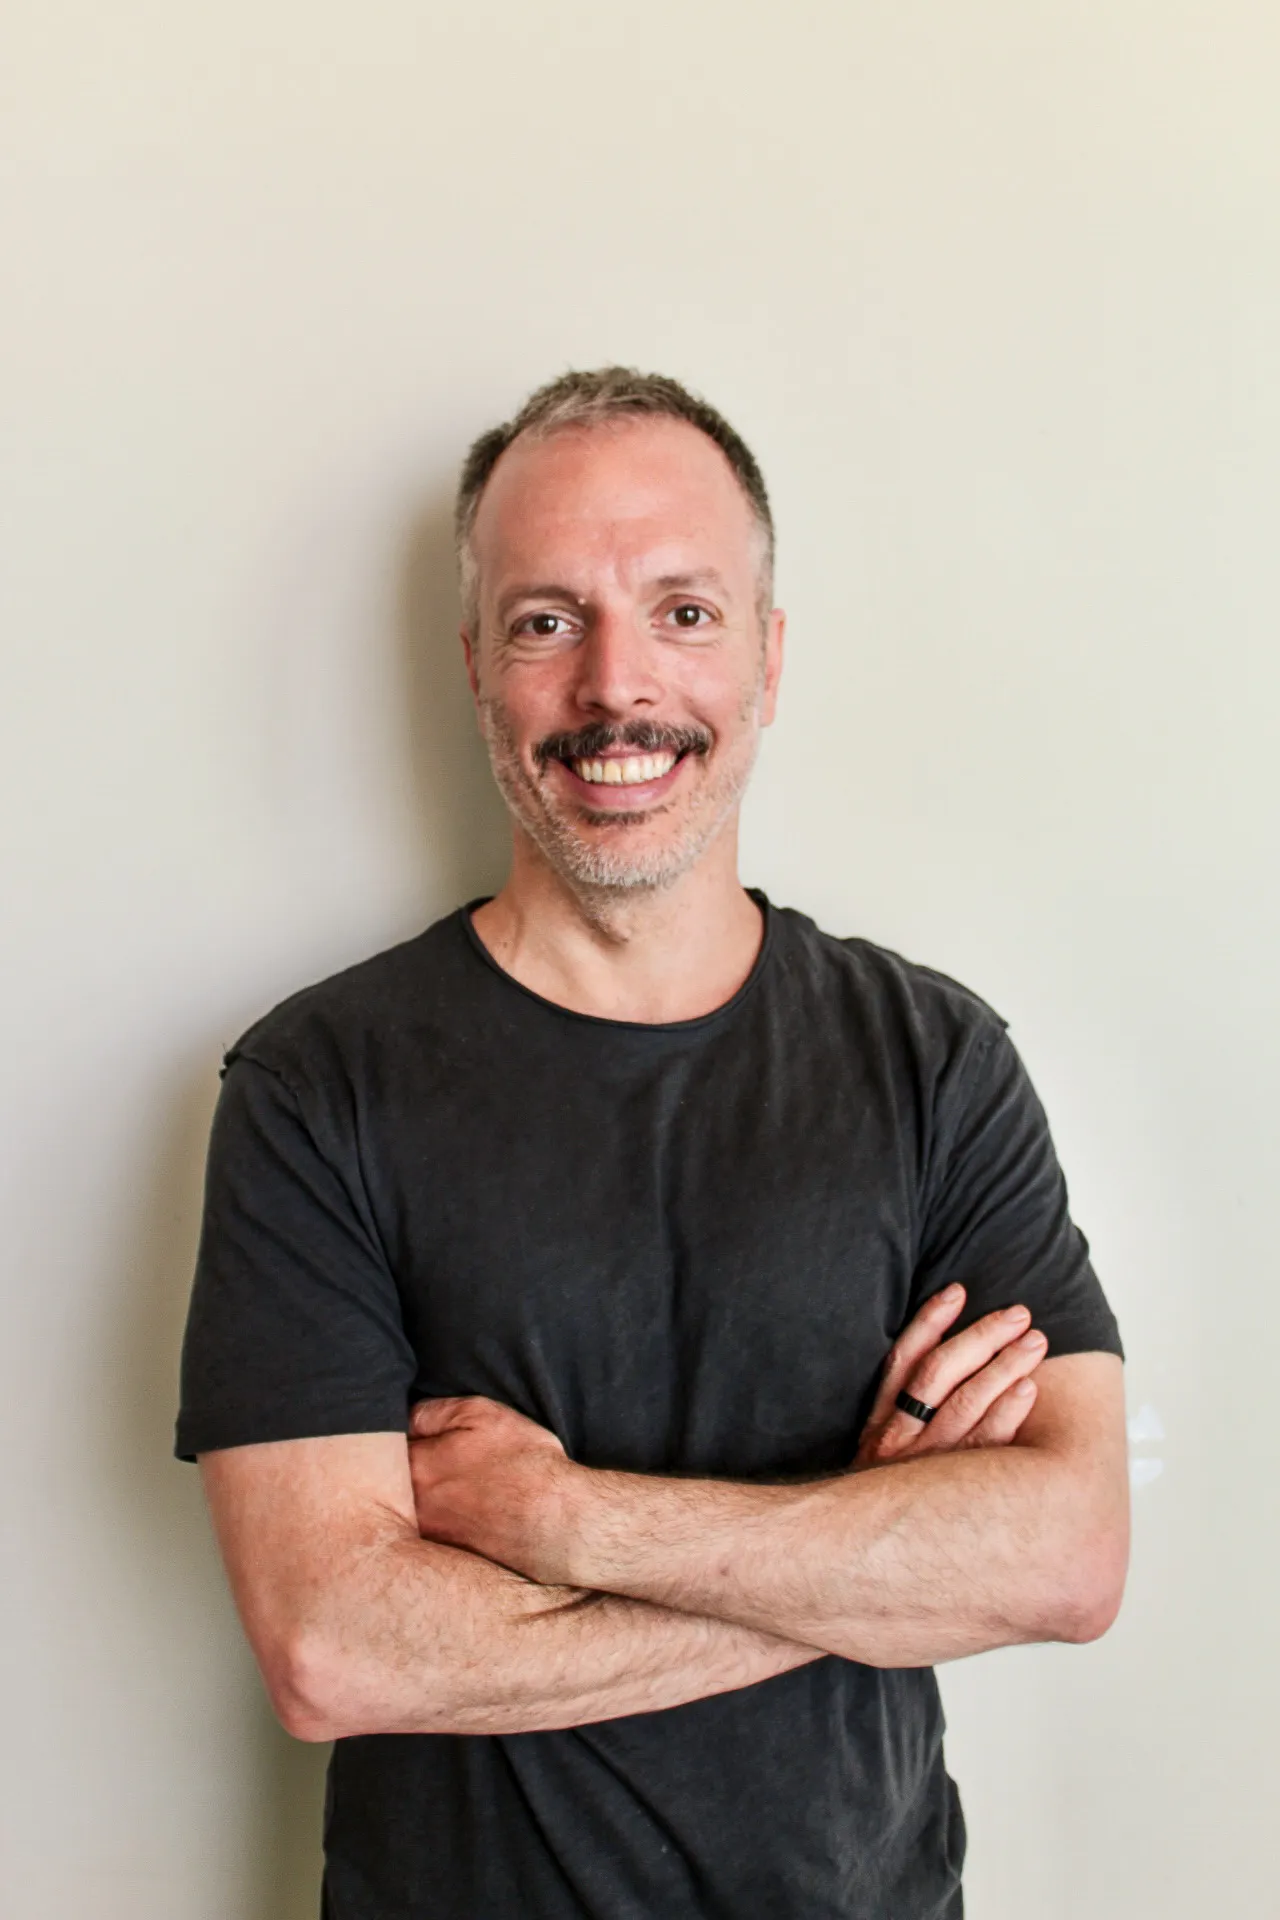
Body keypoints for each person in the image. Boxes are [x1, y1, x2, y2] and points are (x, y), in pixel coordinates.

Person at [176, 367, 1128, 1919]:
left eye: (684, 611)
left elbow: (1071, 1554)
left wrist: (566, 1522)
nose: (618, 689)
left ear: (767, 657)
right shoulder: (317, 1084)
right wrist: (863, 1559)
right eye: (550, 619)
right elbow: (331, 1651)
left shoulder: (934, 1059)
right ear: (476, 662)